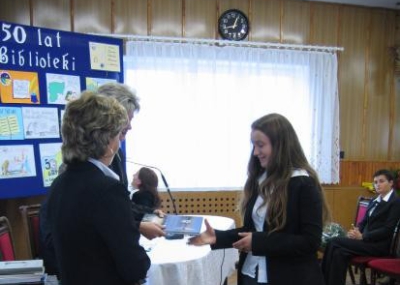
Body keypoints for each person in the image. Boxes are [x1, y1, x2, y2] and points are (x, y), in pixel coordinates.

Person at [189, 113, 331, 285]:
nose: (255, 152)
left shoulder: (303, 184)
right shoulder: (261, 180)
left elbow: (310, 241)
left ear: (281, 146)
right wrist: (217, 238)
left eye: (260, 145)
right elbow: (253, 230)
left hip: (289, 277)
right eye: (254, 145)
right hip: (252, 273)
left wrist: (259, 242)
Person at [46, 92, 150, 285]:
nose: (119, 142)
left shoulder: (59, 184)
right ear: (105, 139)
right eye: (118, 134)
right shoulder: (108, 190)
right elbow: (135, 267)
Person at [97, 83, 165, 239]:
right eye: (127, 119)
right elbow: (96, 215)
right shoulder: (80, 162)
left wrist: (147, 213)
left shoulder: (117, 153)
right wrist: (137, 225)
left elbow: (120, 203)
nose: (130, 126)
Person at [321, 169, 400, 285]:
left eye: (381, 181)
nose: (377, 184)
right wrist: (355, 231)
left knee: (333, 242)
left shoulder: (395, 202)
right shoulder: (374, 200)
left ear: (391, 183)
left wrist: (363, 236)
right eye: (375, 182)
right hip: (366, 241)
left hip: (379, 245)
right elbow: (363, 222)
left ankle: (320, 279)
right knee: (339, 253)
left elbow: (387, 230)